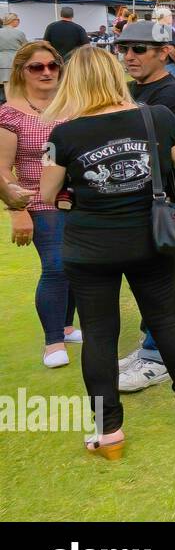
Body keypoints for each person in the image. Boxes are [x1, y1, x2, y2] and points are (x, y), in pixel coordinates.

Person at [40, 46, 175, 460]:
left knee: (99, 335)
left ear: (73, 82)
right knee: (166, 319)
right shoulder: (157, 117)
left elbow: (46, 195)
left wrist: (75, 197)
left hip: (89, 245)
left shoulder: (64, 134)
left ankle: (109, 433)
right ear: (116, 74)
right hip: (150, 240)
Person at [110, 20, 175, 391]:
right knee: (145, 274)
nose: (129, 56)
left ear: (163, 52)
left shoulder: (172, 94)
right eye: (123, 48)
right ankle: (151, 344)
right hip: (138, 195)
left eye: (138, 49)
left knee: (157, 277)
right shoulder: (136, 89)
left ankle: (157, 356)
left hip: (161, 195)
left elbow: (148, 148)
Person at [1, 41, 79, 367]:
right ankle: (53, 342)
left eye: (52, 66)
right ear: (22, 71)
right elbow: (3, 169)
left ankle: (66, 324)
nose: (46, 72)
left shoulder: (74, 105)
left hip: (79, 199)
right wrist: (16, 212)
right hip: (39, 201)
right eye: (37, 67)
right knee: (57, 265)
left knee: (78, 265)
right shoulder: (10, 112)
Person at [0, 13, 29, 104]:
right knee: (17, 85)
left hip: (1, 61)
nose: (18, 21)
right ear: (12, 20)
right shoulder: (19, 33)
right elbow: (26, 47)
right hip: (15, 61)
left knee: (4, 85)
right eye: (17, 19)